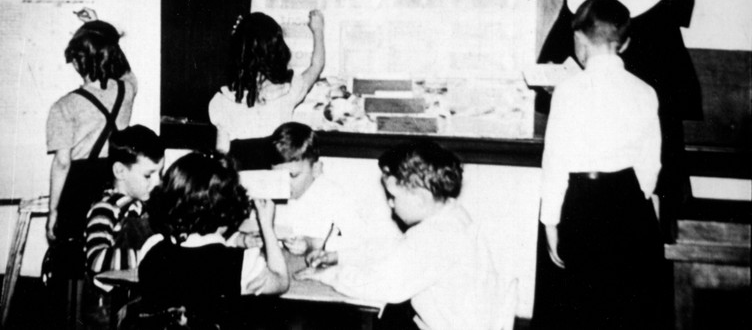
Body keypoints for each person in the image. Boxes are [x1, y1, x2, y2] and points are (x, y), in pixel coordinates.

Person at [537, 0, 702, 224]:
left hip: (640, 162)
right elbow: (556, 69)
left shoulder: (654, 10)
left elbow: (669, 95)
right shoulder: (579, 4)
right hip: (583, 164)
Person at [538, 0, 665, 329]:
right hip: (628, 199)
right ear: (624, 43)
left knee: (582, 305)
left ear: (579, 40)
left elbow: (555, 162)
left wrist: (550, 222)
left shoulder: (568, 91)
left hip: (582, 203)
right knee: (626, 304)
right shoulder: (645, 91)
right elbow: (650, 166)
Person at [296, 140, 497, 330]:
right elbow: (396, 250)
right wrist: (339, 256)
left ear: (420, 198)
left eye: (393, 197)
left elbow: (381, 285)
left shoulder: (436, 236)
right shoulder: (451, 215)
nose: (391, 204)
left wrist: (326, 275)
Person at [135, 152, 288, 328]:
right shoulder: (242, 263)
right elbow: (281, 281)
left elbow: (192, 260)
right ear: (229, 208)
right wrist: (267, 225)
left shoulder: (152, 246)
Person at [46, 10, 138, 245]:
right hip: (116, 180)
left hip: (79, 186)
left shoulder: (63, 106)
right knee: (111, 250)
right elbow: (127, 72)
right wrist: (98, 29)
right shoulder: (126, 91)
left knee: (74, 258)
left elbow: (62, 163)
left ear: (77, 62)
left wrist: (53, 211)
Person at [81, 125, 164, 328]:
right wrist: (149, 257)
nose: (157, 182)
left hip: (136, 304)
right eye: (148, 175)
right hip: (107, 312)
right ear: (120, 171)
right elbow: (97, 259)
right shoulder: (105, 209)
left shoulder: (142, 206)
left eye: (159, 174)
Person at [208, 9, 325, 153]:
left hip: (240, 175)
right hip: (277, 175)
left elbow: (222, 158)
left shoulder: (221, 103)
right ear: (278, 52)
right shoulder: (288, 91)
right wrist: (318, 30)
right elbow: (316, 66)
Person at [264, 122, 368, 257]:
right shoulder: (270, 192)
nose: (284, 183)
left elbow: (360, 239)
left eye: (293, 175)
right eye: (277, 176)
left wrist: (312, 244)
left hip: (318, 266)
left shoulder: (333, 195)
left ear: (316, 169)